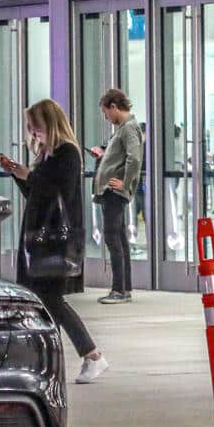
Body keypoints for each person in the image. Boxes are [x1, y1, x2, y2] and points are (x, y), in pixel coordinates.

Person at [1, 99, 108, 384]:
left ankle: (91, 354)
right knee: (43, 300)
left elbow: (54, 189)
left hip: (56, 240)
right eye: (31, 130)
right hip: (40, 237)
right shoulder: (49, 155)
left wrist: (28, 174)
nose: (34, 134)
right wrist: (19, 174)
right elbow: (37, 192)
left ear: (51, 124)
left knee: (49, 298)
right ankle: (51, 363)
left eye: (37, 128)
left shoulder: (67, 153)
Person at [90, 88, 143, 304]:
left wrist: (125, 182)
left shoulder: (128, 128)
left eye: (106, 113)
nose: (106, 117)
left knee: (113, 238)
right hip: (111, 190)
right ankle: (124, 288)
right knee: (118, 237)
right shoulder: (122, 128)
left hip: (114, 191)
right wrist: (104, 155)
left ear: (114, 106)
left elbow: (134, 159)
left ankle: (118, 289)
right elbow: (123, 157)